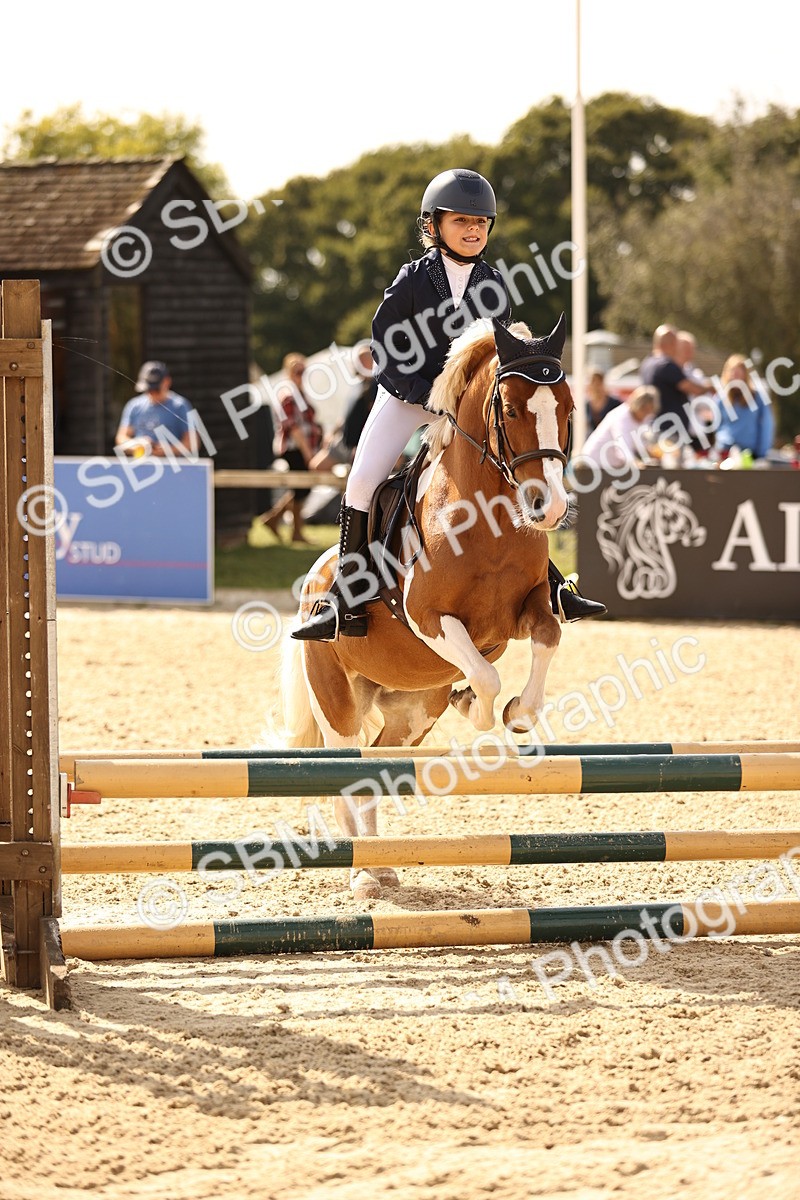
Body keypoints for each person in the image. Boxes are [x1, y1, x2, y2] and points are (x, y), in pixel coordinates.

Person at [293, 168, 606, 642]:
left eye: (481, 222)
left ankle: (554, 585)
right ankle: (343, 600)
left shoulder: (494, 283)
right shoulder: (413, 279)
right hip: (407, 397)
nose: (473, 229)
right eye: (462, 220)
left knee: (513, 474)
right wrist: (424, 396)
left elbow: (499, 355)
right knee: (361, 482)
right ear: (433, 226)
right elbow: (385, 348)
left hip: (465, 407)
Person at [258, 353, 324, 544]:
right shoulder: (288, 395)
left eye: (303, 371)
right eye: (297, 371)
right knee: (302, 487)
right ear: (288, 372)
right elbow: (293, 428)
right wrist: (308, 452)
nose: (300, 374)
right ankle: (294, 530)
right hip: (294, 448)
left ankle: (275, 519)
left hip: (302, 447)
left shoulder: (299, 393)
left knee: (301, 488)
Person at [639, 324, 714, 438]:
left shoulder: (647, 363)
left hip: (657, 427)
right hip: (670, 430)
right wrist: (709, 387)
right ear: (671, 344)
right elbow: (693, 389)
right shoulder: (666, 365)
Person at [115, 361, 197, 455]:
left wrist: (168, 450)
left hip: (172, 465)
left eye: (155, 389)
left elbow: (192, 442)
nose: (152, 393)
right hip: (141, 464)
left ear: (167, 382)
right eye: (149, 389)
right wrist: (138, 444)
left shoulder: (180, 406)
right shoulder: (134, 406)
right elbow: (121, 439)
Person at [581, 386, 660, 468]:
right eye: (645, 410)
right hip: (594, 464)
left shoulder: (642, 418)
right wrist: (635, 463)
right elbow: (622, 446)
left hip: (610, 466)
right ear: (638, 406)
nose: (647, 414)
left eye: (649, 410)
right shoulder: (620, 417)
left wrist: (651, 453)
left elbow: (640, 441)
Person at [713, 355, 774, 461]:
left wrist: (761, 455)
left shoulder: (757, 398)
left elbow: (766, 426)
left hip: (749, 454)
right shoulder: (721, 399)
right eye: (732, 372)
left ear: (745, 375)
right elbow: (716, 426)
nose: (735, 376)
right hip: (725, 453)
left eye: (739, 372)